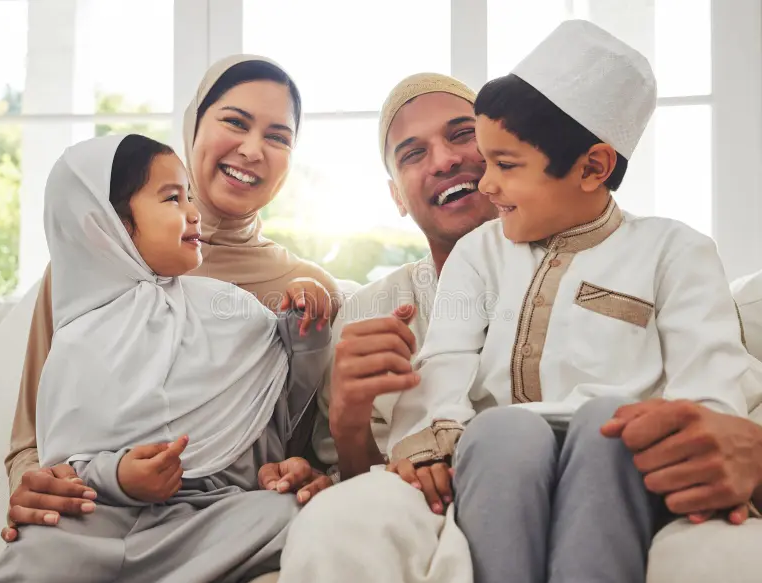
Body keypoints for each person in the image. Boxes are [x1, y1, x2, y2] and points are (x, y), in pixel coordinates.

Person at [278, 22, 762, 583]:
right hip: (497, 453)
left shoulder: (674, 250)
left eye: (495, 160)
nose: (481, 179)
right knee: (502, 433)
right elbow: (446, 361)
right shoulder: (474, 258)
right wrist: (430, 440)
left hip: (620, 446)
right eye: (413, 153)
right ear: (396, 194)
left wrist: (713, 440)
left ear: (592, 168)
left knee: (612, 425)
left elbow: (710, 367)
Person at [1, 55, 339, 542]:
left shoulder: (306, 291)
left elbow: (302, 446)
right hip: (104, 516)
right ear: (193, 127)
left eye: (278, 137)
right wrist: (37, 489)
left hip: (234, 525)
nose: (251, 149)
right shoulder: (92, 269)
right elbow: (32, 440)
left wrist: (298, 476)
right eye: (234, 122)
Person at [280, 73, 498, 583]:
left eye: (462, 134)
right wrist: (349, 423)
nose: (444, 160)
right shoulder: (368, 313)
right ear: (397, 196)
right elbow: (359, 484)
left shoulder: (584, 273)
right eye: (413, 154)